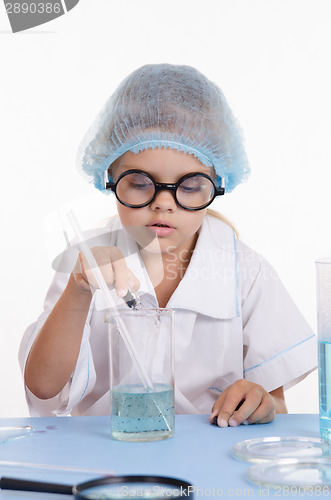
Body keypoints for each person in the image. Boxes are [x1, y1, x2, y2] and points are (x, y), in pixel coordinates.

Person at [20, 64, 317, 425]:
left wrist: (259, 402)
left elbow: (274, 406)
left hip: (208, 459)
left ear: (217, 185)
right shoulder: (87, 265)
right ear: (110, 179)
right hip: (106, 458)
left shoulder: (246, 271)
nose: (164, 202)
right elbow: (44, 388)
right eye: (140, 182)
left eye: (189, 186)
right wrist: (78, 291)